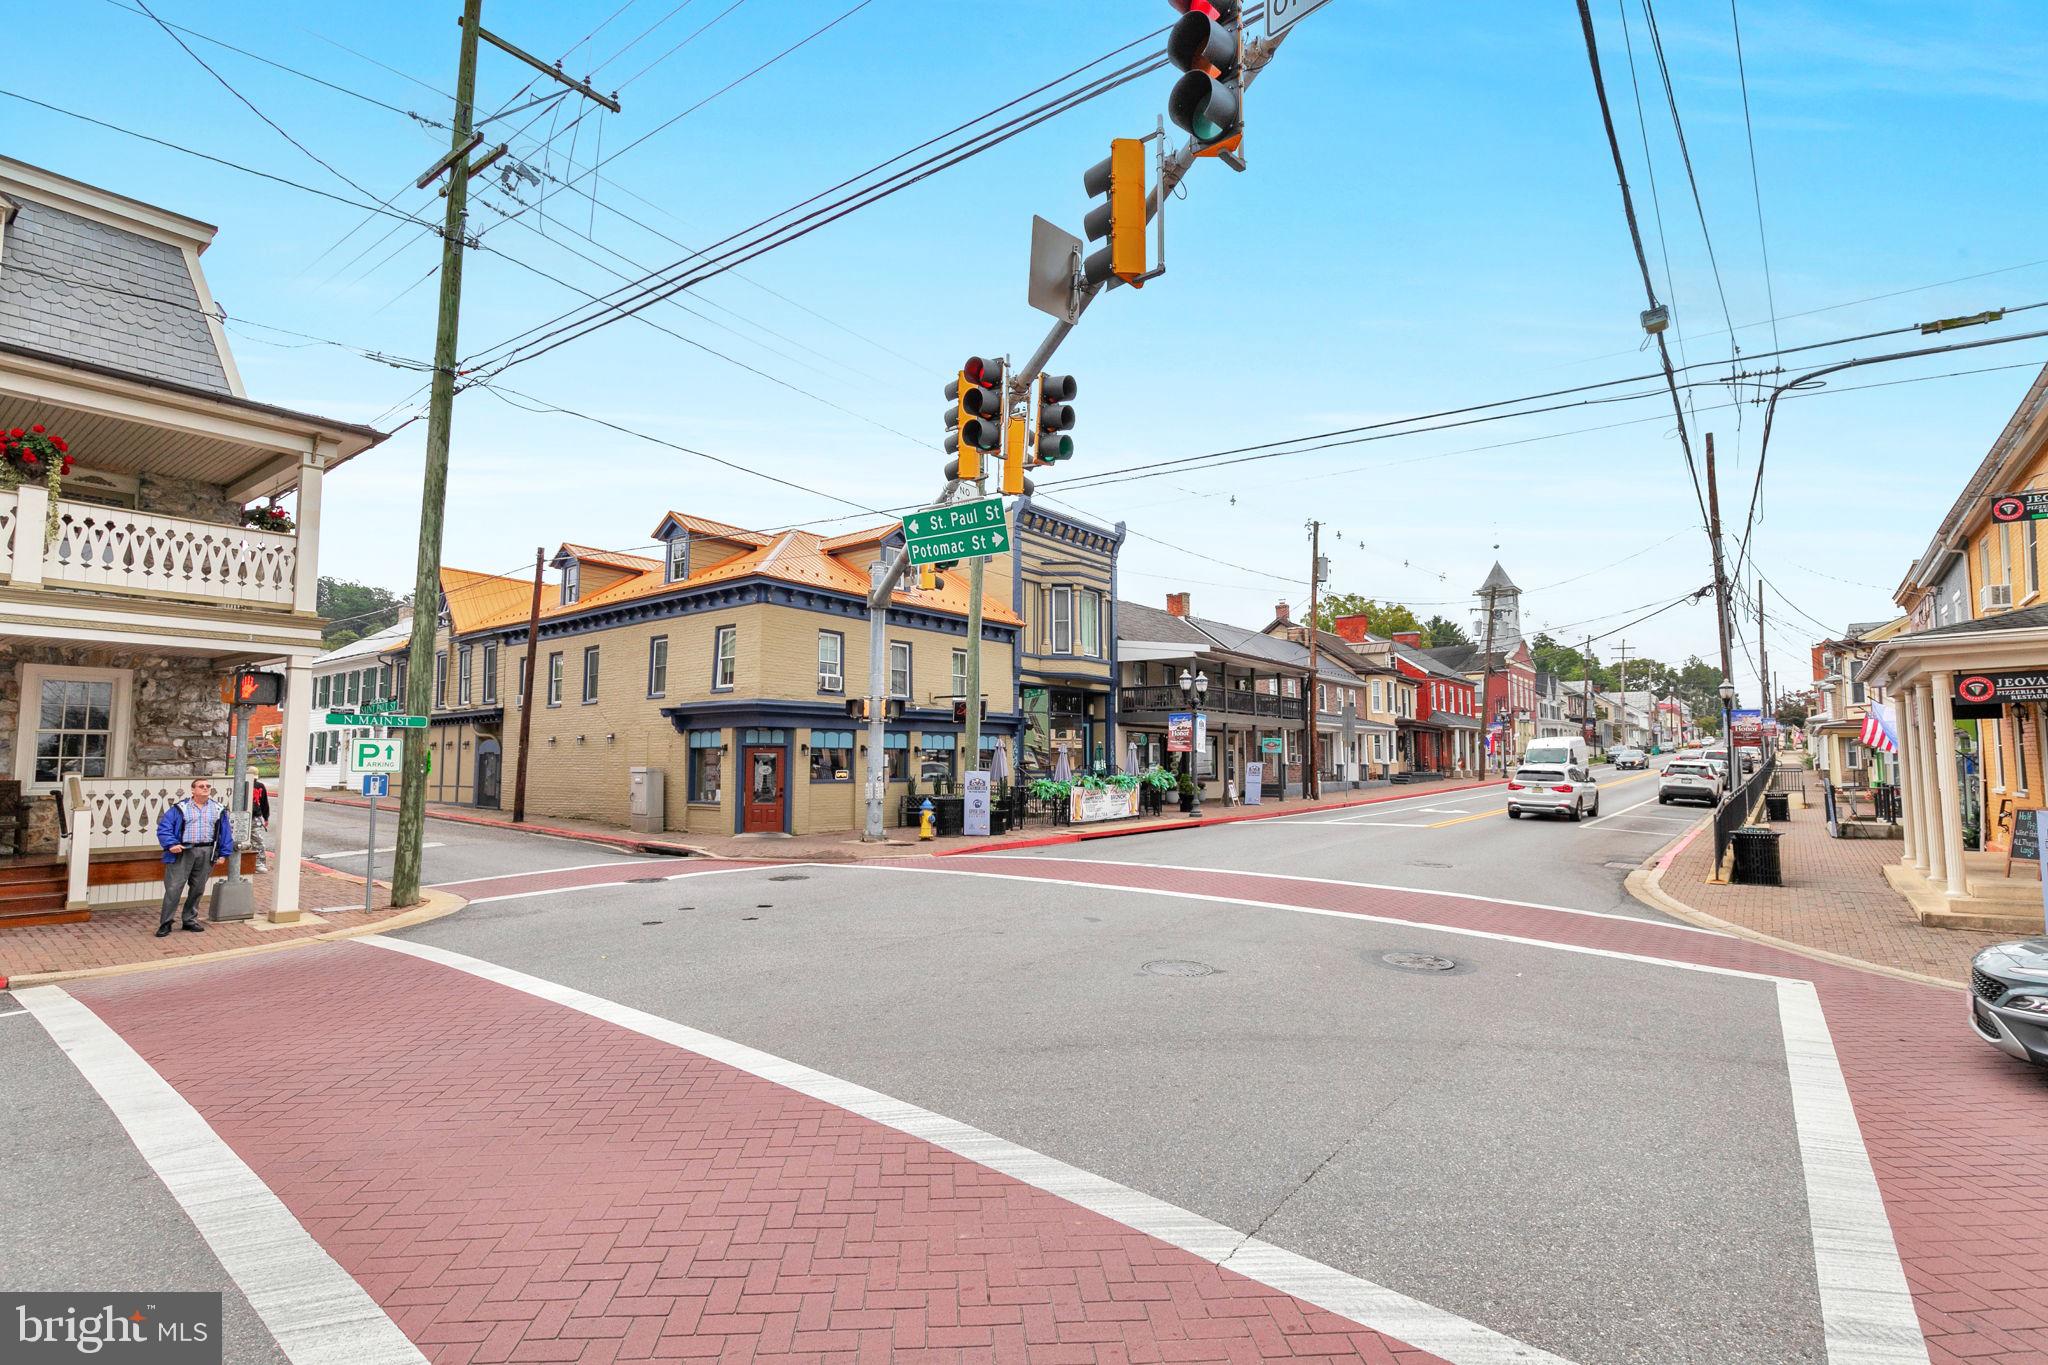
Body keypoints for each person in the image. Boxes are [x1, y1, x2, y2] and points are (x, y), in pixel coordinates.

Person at [155, 778, 235, 938]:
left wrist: (223, 853)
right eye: (201, 786)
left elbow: (225, 832)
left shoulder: (218, 809)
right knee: (173, 888)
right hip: (183, 851)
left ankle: (189, 919)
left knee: (198, 888)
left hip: (206, 851)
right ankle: (166, 922)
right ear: (193, 790)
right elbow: (164, 828)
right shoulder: (180, 808)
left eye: (207, 786)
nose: (205, 788)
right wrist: (171, 844)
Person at [250, 778, 271, 873]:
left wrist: (266, 817)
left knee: (256, 841)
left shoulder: (259, 786)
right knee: (257, 841)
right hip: (254, 816)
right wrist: (266, 817)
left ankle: (258, 864)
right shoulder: (259, 786)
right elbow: (264, 803)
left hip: (253, 816)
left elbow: (263, 802)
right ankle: (258, 864)